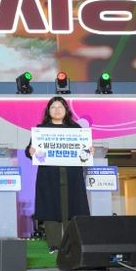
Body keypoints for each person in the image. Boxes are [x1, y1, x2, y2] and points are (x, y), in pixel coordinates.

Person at [25, 96, 91, 254]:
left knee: (72, 209)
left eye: (60, 107)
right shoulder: (41, 130)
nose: (56, 110)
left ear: (66, 110)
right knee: (51, 209)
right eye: (53, 107)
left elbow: (84, 151)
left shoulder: (76, 129)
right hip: (49, 176)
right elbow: (29, 151)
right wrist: (30, 151)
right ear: (48, 111)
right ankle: (54, 245)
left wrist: (90, 150)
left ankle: (71, 245)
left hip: (72, 176)